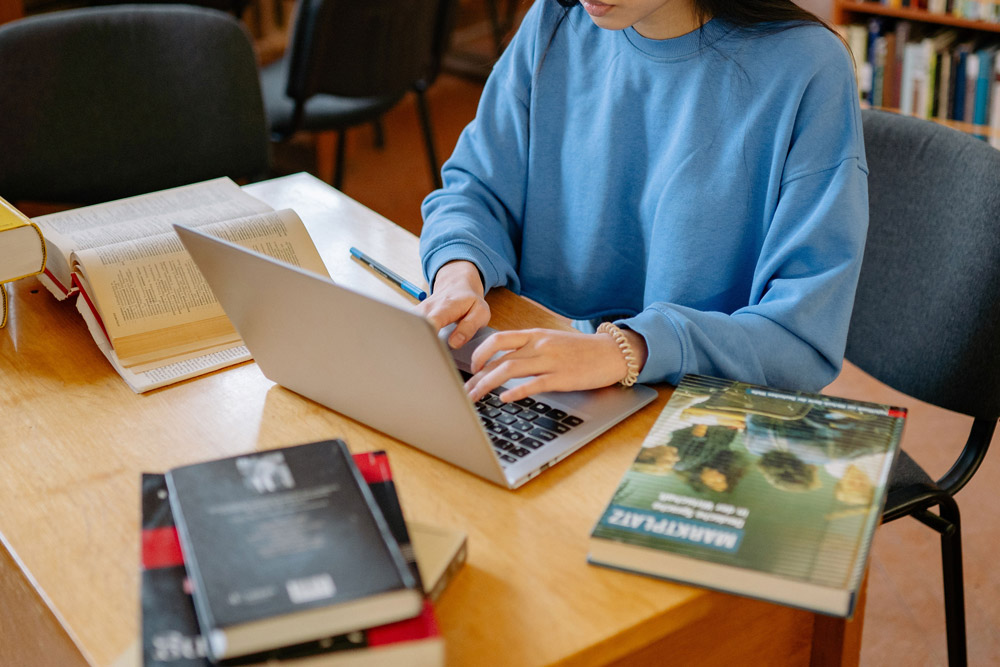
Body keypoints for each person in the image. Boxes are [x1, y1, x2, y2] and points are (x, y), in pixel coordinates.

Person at [417, 0, 868, 404]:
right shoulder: (554, 22)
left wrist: (626, 349)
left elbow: (800, 339)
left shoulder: (807, 66)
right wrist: (459, 271)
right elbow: (475, 190)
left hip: (705, 405)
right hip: (561, 379)